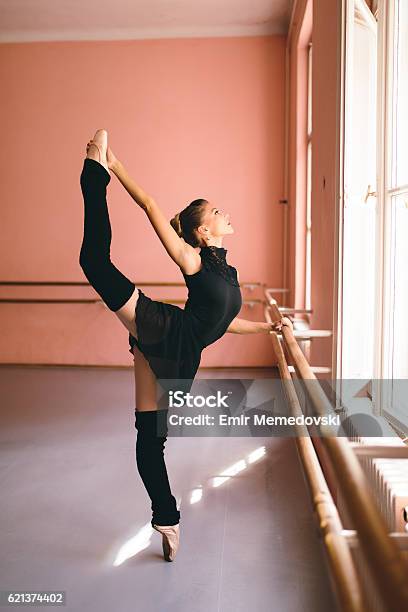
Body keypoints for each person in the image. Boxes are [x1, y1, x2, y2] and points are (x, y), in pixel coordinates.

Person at [79, 129, 292, 562]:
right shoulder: (194, 260)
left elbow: (226, 324)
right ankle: (92, 172)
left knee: (150, 438)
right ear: (202, 230)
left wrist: (271, 330)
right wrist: (113, 165)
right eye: (216, 211)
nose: (224, 212)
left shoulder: (228, 273)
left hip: (177, 355)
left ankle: (167, 519)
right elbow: (151, 207)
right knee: (94, 262)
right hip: (163, 328)